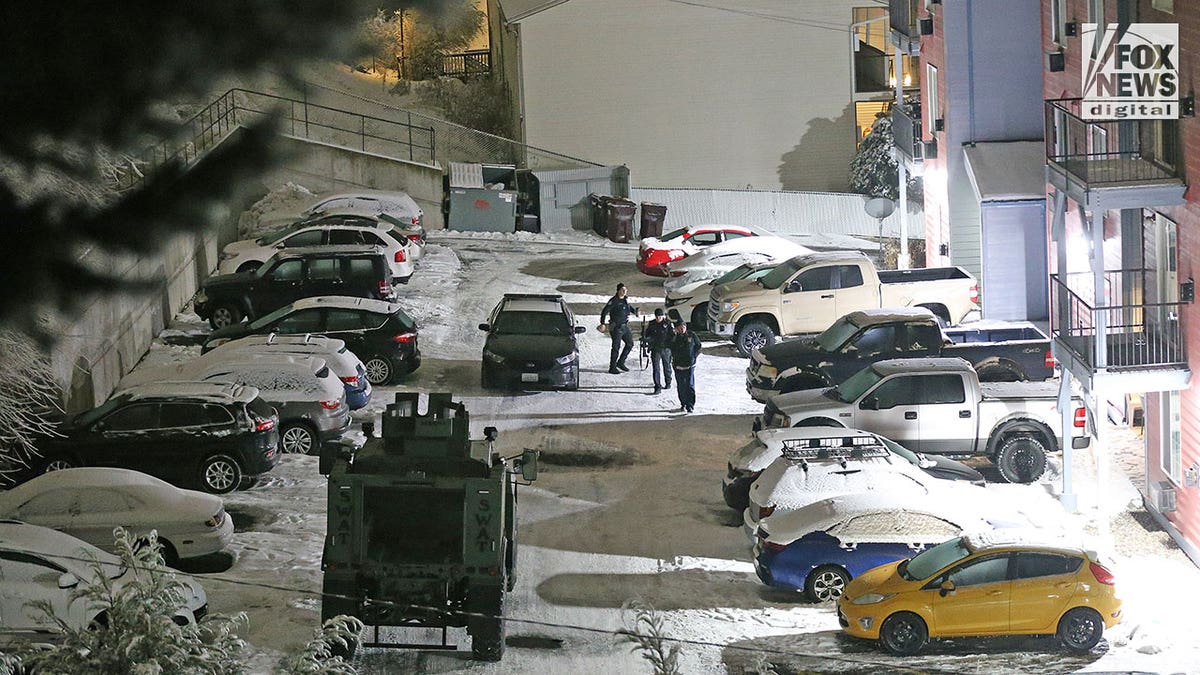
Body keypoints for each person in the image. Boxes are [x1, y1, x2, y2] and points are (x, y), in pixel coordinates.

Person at [600, 282, 638, 374]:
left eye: (625, 290)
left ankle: (621, 362)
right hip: (616, 327)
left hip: (624, 326)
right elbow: (604, 311)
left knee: (630, 344)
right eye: (623, 290)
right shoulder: (614, 301)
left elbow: (629, 307)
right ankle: (612, 367)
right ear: (618, 291)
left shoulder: (625, 299)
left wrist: (635, 311)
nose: (625, 291)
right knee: (616, 347)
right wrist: (602, 323)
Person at [669, 319, 702, 413]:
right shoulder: (674, 338)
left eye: (683, 327)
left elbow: (698, 346)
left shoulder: (691, 335)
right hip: (678, 365)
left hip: (690, 365)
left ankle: (690, 405)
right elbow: (670, 347)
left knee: (690, 385)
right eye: (680, 327)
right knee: (681, 386)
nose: (682, 329)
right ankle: (683, 403)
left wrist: (694, 356)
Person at [642, 308, 674, 394]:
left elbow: (672, 336)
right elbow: (648, 334)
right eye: (657, 316)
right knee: (656, 368)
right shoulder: (652, 324)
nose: (658, 318)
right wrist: (645, 339)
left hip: (665, 349)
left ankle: (668, 382)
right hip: (655, 349)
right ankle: (657, 386)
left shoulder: (667, 324)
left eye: (660, 316)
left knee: (667, 366)